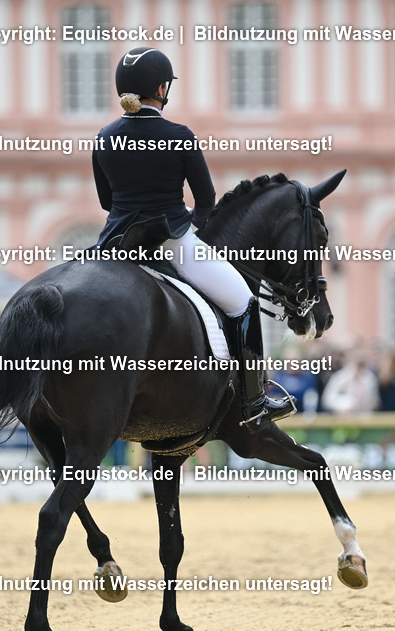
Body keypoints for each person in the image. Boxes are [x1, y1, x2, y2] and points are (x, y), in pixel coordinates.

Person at [92, 46, 292, 431]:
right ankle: (254, 398)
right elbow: (205, 198)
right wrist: (190, 228)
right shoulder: (179, 136)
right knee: (244, 301)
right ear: (161, 89)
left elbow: (106, 201)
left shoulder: (105, 137)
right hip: (172, 241)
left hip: (116, 244)